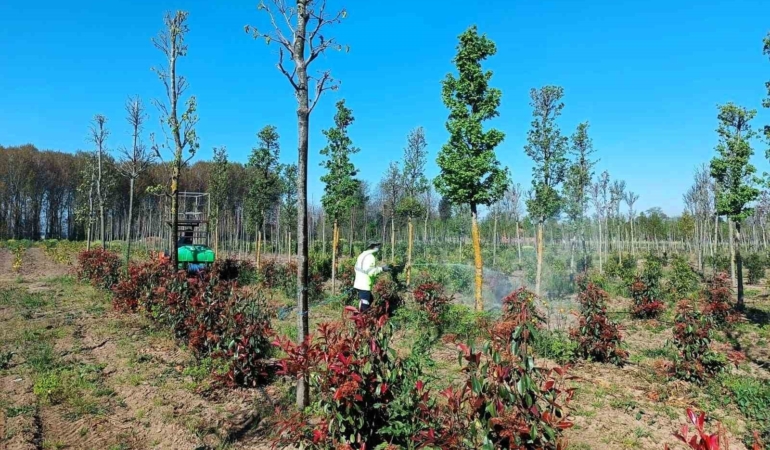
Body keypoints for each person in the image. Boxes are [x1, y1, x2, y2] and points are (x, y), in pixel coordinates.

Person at [353, 242, 389, 312]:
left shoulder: (362, 254)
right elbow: (371, 272)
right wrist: (382, 269)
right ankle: (362, 317)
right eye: (378, 246)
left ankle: (362, 314)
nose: (379, 248)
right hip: (365, 285)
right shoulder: (370, 257)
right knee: (365, 305)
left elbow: (361, 268)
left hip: (359, 283)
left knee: (370, 299)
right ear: (375, 247)